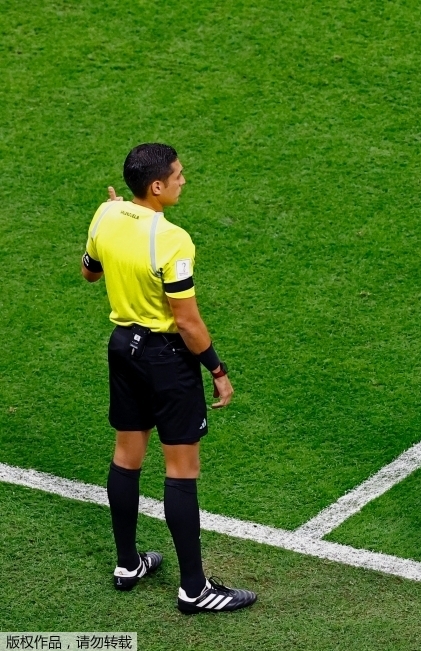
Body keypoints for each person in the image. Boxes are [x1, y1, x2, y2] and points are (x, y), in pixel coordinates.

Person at [81, 143, 257, 613]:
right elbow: (187, 322)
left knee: (126, 457)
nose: (183, 180)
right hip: (165, 358)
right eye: (177, 175)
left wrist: (115, 222)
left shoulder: (106, 213)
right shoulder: (173, 238)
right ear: (156, 186)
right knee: (181, 470)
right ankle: (194, 589)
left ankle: (127, 564)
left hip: (123, 348)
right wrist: (217, 369)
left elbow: (89, 273)